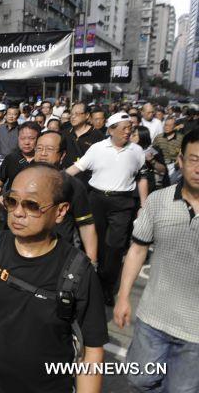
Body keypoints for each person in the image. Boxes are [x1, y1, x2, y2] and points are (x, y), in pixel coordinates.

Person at [0, 163, 107, 393]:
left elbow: (92, 351)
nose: (18, 212)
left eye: (32, 205)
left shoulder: (78, 271)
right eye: (11, 201)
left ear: (61, 211)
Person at [113, 128, 199, 392]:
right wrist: (123, 296)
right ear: (181, 162)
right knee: (140, 380)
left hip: (195, 332)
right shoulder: (158, 201)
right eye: (195, 159)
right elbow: (138, 250)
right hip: (153, 318)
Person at [66, 112, 149, 306]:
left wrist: (144, 206)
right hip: (96, 200)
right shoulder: (97, 148)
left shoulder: (136, 151)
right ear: (111, 130)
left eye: (130, 128)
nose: (128, 132)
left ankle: (107, 287)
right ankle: (91, 282)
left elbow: (142, 177)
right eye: (124, 128)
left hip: (122, 204)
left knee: (114, 246)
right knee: (96, 244)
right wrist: (53, 180)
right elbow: (75, 169)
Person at [34, 131, 98, 261]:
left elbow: (86, 225)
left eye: (50, 149)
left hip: (58, 257)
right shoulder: (23, 178)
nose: (43, 153)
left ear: (62, 155)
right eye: (39, 148)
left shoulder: (73, 185)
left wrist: (91, 263)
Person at [0, 122, 41, 198]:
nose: (26, 142)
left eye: (31, 138)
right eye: (22, 138)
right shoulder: (11, 158)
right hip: (11, 201)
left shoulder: (42, 161)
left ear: (38, 139)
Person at [64, 103, 106, 185]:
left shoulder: (97, 135)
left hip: (87, 181)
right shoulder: (65, 133)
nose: (73, 117)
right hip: (68, 177)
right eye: (71, 114)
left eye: (77, 114)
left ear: (87, 115)